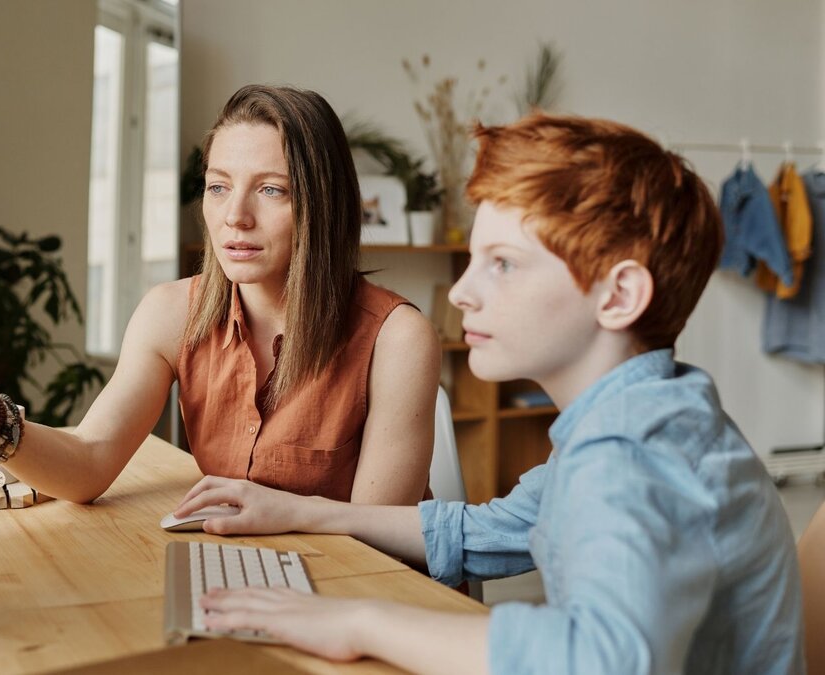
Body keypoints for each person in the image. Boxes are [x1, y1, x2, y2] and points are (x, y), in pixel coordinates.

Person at [174, 114, 805, 674]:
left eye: (501, 263)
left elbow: (599, 658)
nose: (460, 293)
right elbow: (487, 532)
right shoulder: (646, 415)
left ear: (618, 297)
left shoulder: (632, 454)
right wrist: (303, 512)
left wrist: (358, 624)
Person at [0, 84, 440, 505]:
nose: (234, 217)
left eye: (271, 190)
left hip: (362, 600)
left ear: (324, 205)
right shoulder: (172, 312)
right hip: (248, 579)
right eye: (218, 186)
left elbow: (376, 542)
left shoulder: (397, 339)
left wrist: (270, 517)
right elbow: (88, 462)